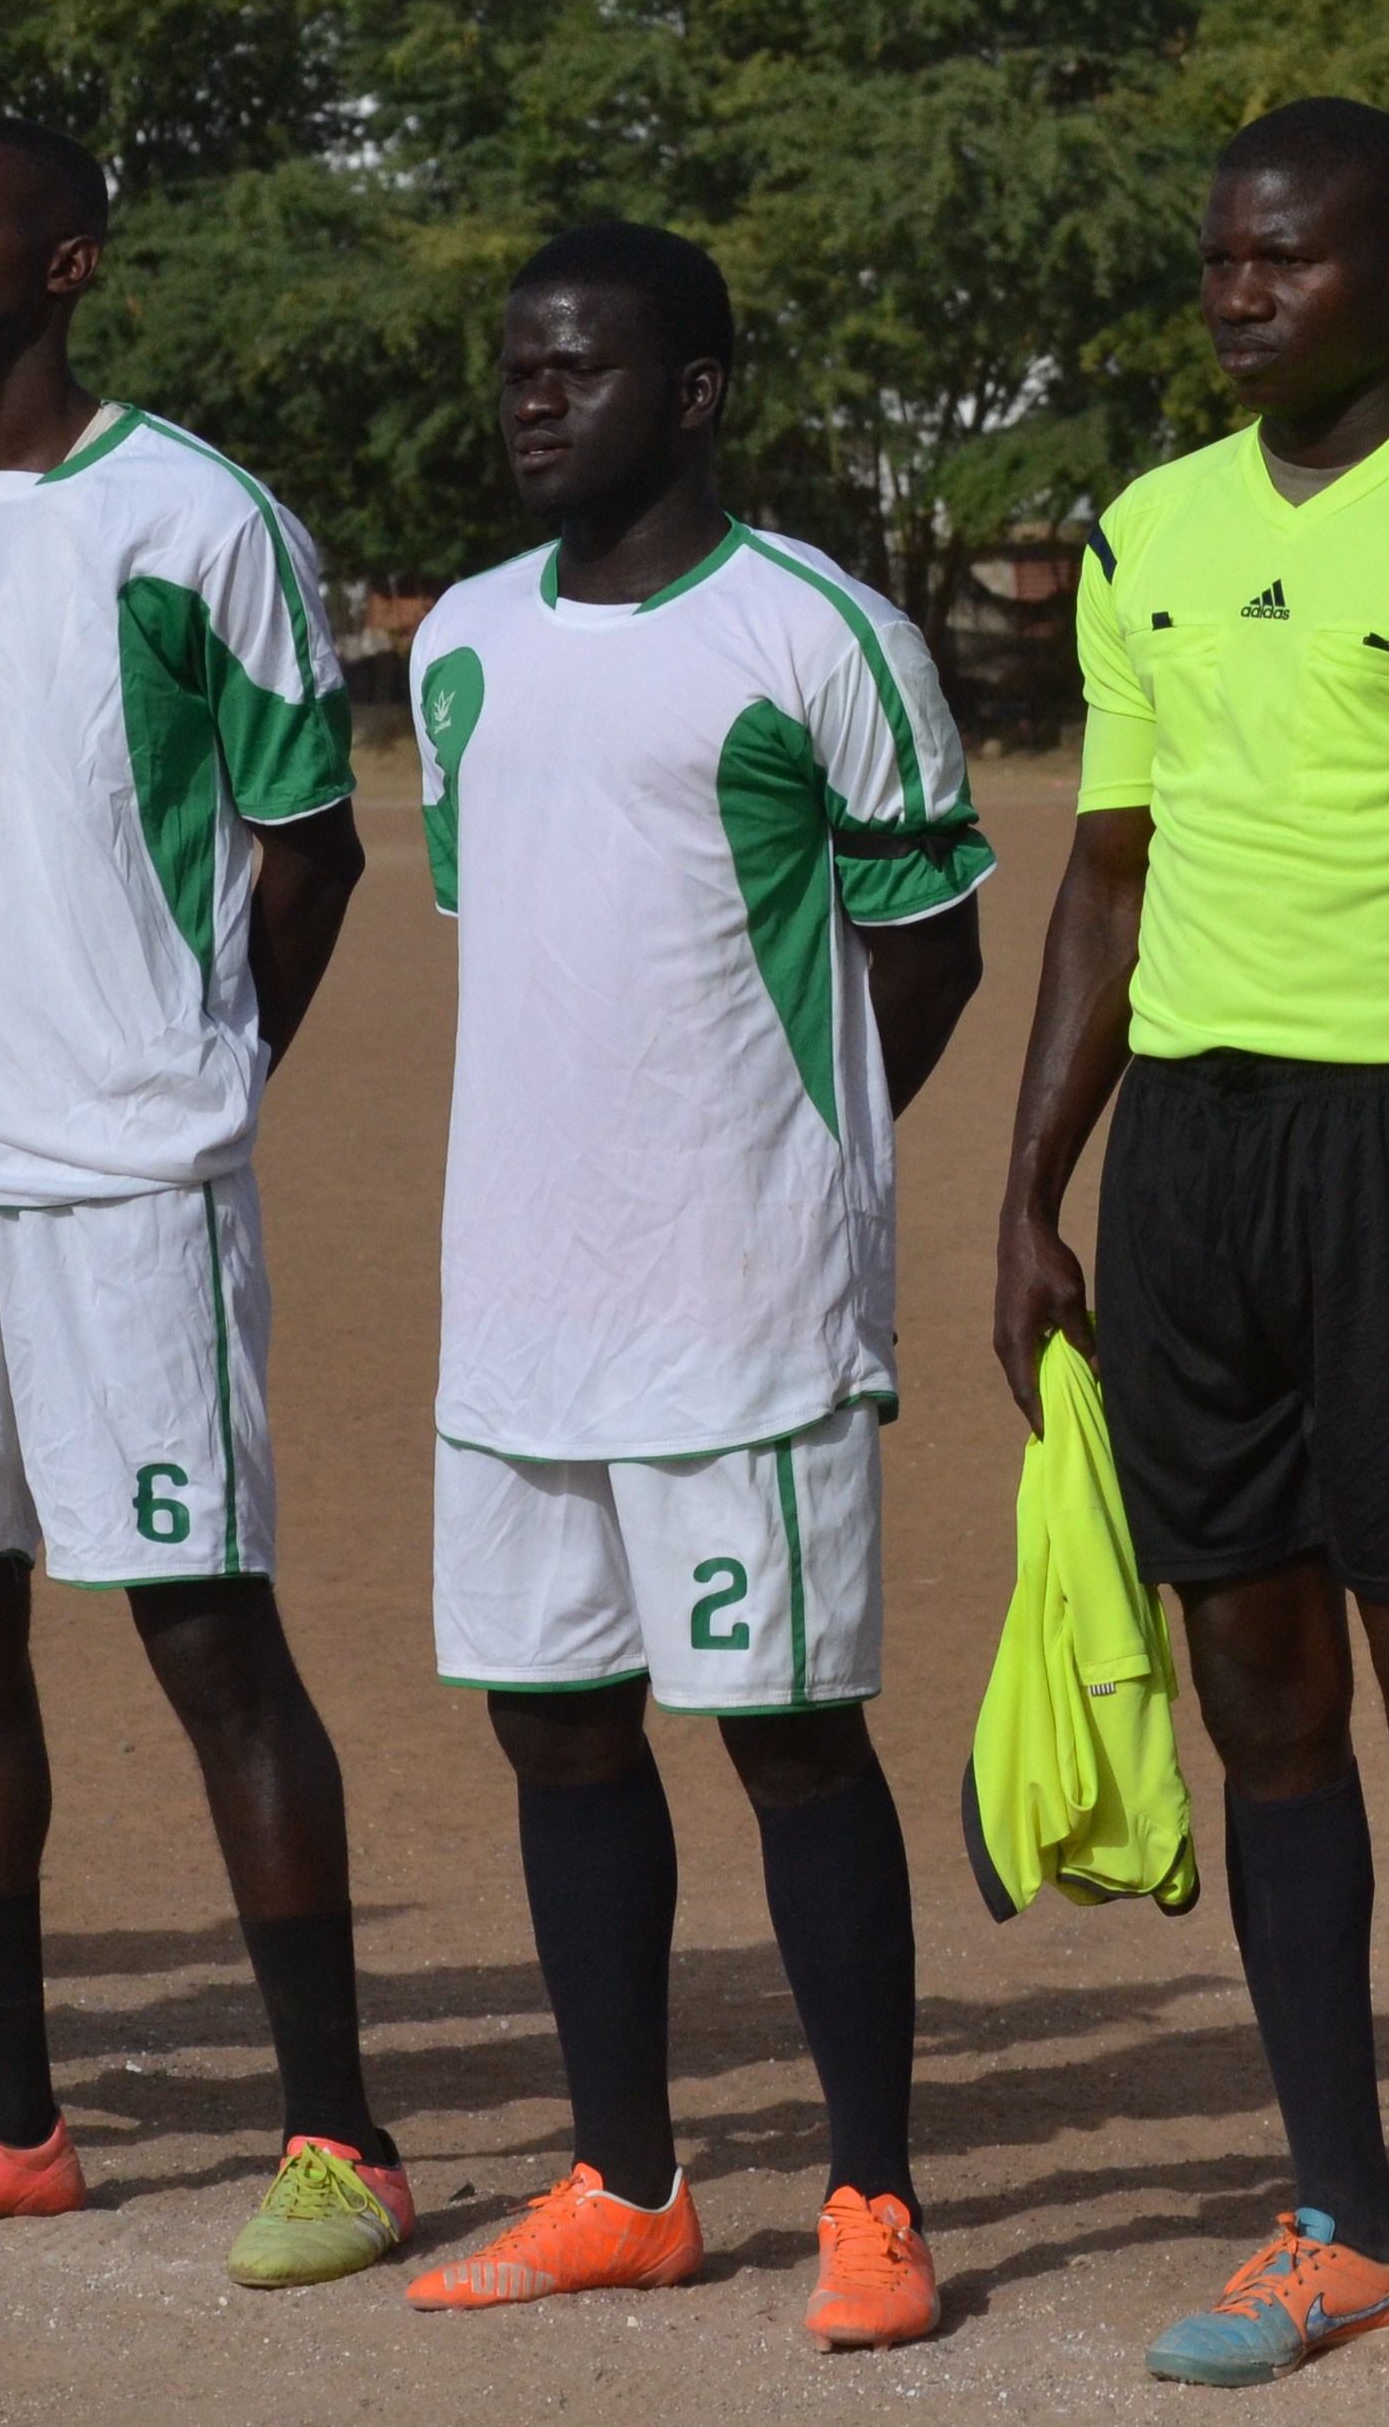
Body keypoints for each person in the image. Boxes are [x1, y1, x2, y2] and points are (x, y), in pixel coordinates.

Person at [993, 97, 1389, 2403]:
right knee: (1263, 1708)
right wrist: (1028, 1187)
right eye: (1223, 257)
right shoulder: (1145, 530)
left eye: (1291, 255)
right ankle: (1337, 2215)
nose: (1242, 288)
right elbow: (1107, 871)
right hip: (1192, 1167)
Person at [0, 118, 404, 2288]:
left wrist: (215, 1069)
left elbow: (308, 840)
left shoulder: (197, 516)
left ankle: (343, 2139)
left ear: (69, 262)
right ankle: (5, 2123)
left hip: (134, 1166)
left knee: (200, 1627)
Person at [395, 224, 989, 2348]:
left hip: (740, 1303)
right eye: (518, 365)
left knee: (791, 1737)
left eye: (581, 366)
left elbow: (926, 948)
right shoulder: (462, 643)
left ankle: (872, 2199)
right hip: (521, 1305)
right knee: (556, 1733)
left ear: (699, 393)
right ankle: (624, 2181)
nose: (535, 396)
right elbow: (522, 924)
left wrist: (795, 1160)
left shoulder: (820, 631)